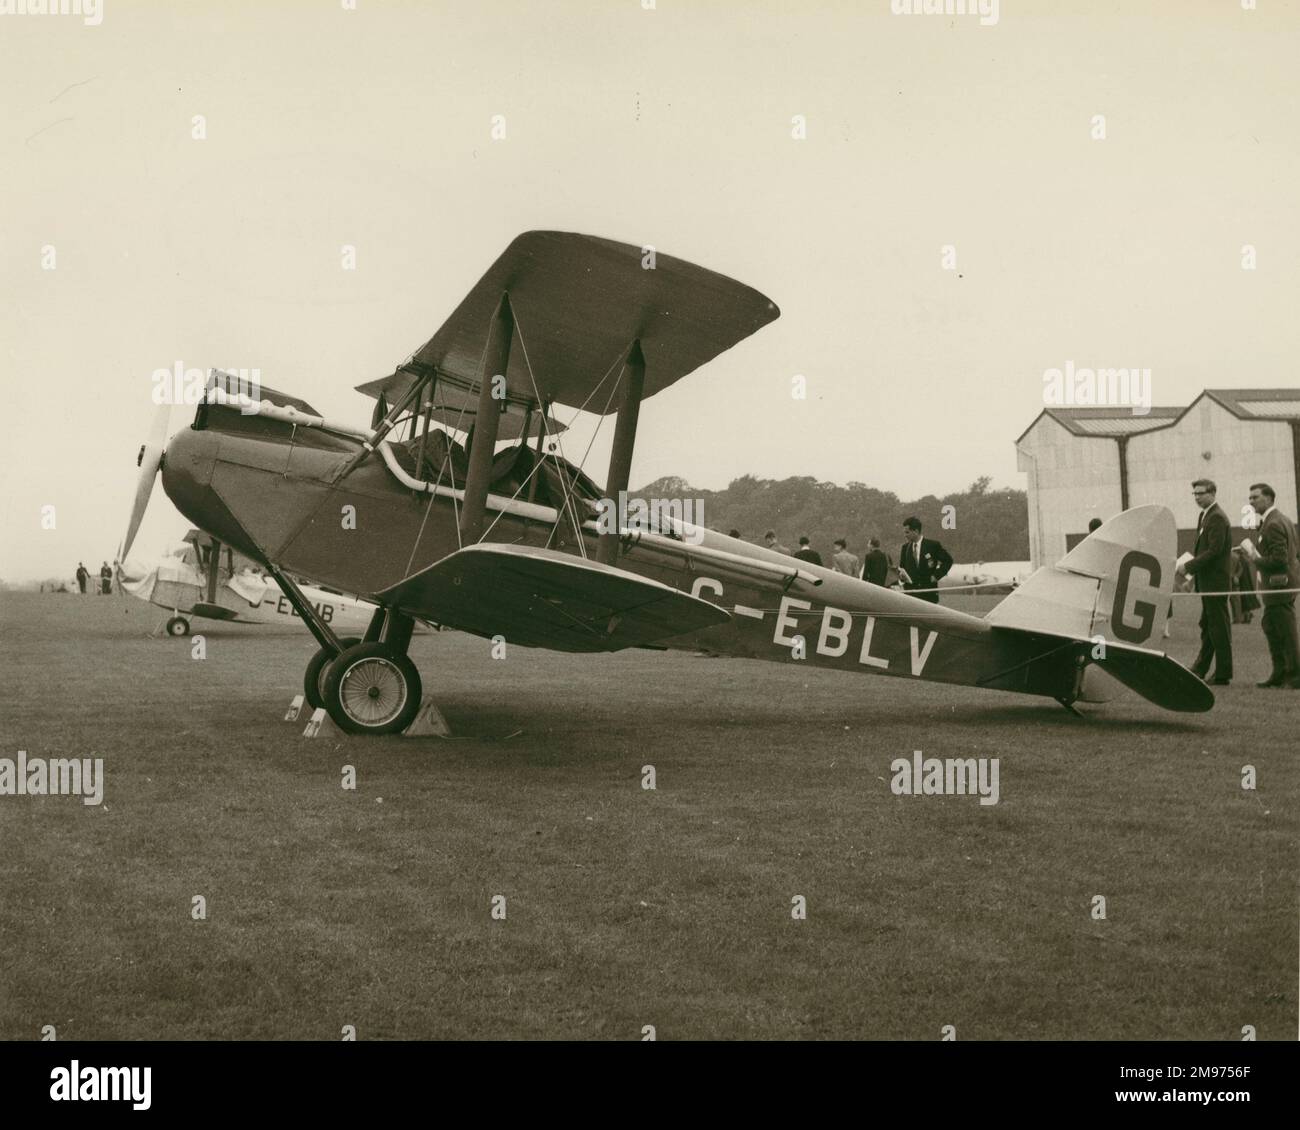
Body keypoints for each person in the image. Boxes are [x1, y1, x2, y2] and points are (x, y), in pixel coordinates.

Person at [1247, 482, 1300, 688]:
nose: (1251, 501)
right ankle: (1279, 673)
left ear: (1268, 498)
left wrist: (1254, 557)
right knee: (1271, 626)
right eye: (1250, 497)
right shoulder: (1279, 519)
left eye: (1255, 497)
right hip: (1280, 585)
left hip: (1279, 586)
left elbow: (1279, 560)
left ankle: (1295, 676)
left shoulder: (1273, 523)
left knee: (1285, 631)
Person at [1181, 478, 1232, 685]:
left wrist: (1189, 566)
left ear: (1212, 493)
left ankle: (1222, 674)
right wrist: (1193, 578)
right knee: (1208, 625)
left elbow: (1214, 551)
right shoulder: (1205, 515)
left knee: (1218, 627)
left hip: (1216, 583)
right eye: (1194, 494)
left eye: (1200, 493)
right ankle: (1201, 667)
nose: (1197, 497)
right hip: (1207, 581)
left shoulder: (1217, 517)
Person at [898, 517, 952, 604]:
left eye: (907, 532)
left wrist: (936, 576)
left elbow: (948, 561)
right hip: (910, 597)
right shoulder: (905, 548)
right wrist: (901, 576)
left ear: (916, 531)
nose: (905, 535)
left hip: (928, 596)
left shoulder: (933, 545)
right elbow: (902, 567)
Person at [1230, 546, 1258, 625]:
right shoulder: (1245, 559)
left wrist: (1236, 577)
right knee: (1244, 601)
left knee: (1242, 601)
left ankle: (1244, 617)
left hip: (1242, 584)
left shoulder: (1240, 560)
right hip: (1246, 584)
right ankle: (1246, 616)